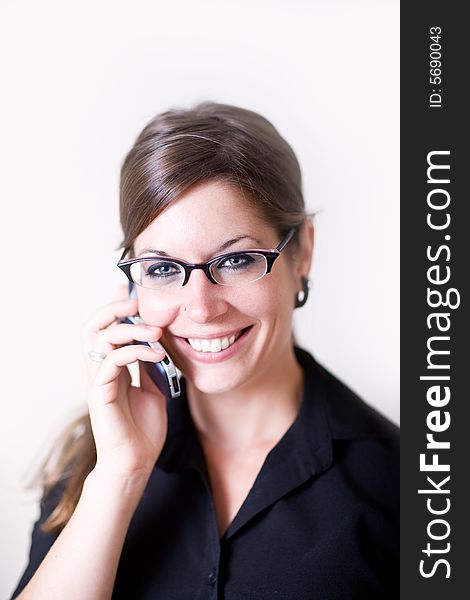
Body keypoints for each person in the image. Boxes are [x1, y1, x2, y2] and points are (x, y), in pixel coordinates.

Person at [10, 102, 399, 600]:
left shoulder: (404, 488)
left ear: (302, 252)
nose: (201, 308)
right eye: (163, 269)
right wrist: (120, 476)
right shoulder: (97, 458)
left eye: (236, 260)